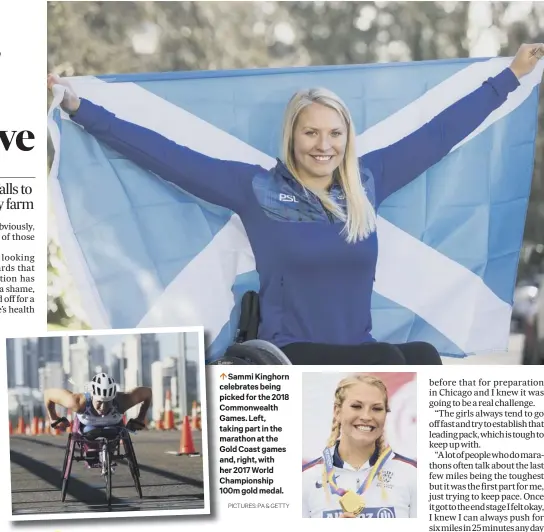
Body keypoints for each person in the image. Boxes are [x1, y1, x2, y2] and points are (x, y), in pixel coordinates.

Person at [47, 43, 544, 366]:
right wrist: (77, 107)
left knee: (422, 357)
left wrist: (513, 76)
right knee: (375, 363)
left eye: (334, 133)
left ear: (347, 138)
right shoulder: (254, 189)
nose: (323, 144)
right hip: (288, 357)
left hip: (356, 354)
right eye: (311, 132)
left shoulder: (369, 183)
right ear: (293, 136)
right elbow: (164, 154)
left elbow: (440, 133)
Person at [302, 374, 416, 518]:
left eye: (377, 409)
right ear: (337, 412)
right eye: (356, 406)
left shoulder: (412, 475)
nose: (367, 416)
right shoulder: (305, 479)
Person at [44, 372, 151, 467]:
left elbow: (148, 393)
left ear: (113, 397)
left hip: (113, 428)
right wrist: (54, 418)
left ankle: (108, 455)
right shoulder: (77, 402)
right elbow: (48, 394)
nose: (103, 408)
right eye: (99, 402)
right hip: (88, 429)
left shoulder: (124, 400)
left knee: (113, 433)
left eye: (108, 402)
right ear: (92, 396)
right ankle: (92, 453)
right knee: (90, 436)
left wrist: (141, 417)